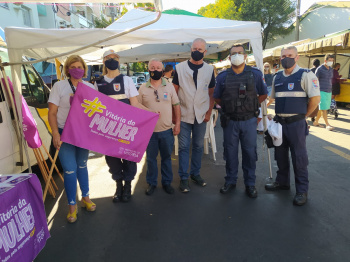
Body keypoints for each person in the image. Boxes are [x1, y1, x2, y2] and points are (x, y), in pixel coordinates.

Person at [94, 50, 154, 203]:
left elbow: (135, 103)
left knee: (128, 156)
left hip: (125, 128)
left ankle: (127, 185)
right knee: (111, 158)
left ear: (118, 61)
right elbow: (94, 107)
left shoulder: (126, 80)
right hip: (108, 129)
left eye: (115, 58)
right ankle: (118, 185)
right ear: (104, 61)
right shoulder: (98, 82)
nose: (112, 60)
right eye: (109, 58)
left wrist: (151, 113)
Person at [265, 46, 320, 206]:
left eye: (289, 55)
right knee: (280, 156)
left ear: (297, 57)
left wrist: (304, 116)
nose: (285, 58)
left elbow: (315, 100)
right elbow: (271, 99)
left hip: (296, 124)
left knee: (299, 158)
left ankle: (302, 190)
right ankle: (282, 182)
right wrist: (263, 109)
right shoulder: (277, 77)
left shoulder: (306, 75)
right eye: (283, 56)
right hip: (280, 123)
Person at [214, 43, 267, 198]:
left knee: (250, 153)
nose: (237, 55)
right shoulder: (223, 77)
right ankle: (230, 181)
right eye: (234, 53)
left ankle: (250, 184)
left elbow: (263, 94)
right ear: (230, 58)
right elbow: (217, 97)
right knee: (230, 153)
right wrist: (230, 107)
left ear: (245, 56)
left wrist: (251, 105)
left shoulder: (255, 74)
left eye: (240, 52)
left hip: (249, 121)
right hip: (230, 121)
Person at [48, 55, 96, 223]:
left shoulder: (90, 86)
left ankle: (86, 198)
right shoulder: (59, 86)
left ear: (85, 69)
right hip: (64, 133)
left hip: (82, 134)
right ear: (68, 69)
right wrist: (55, 133)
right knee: (69, 170)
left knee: (82, 166)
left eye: (80, 66)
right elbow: (52, 112)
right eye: (73, 66)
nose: (77, 69)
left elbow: (96, 112)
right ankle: (71, 206)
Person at [172, 38, 215, 193]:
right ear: (190, 49)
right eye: (194, 48)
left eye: (200, 49)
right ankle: (184, 178)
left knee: (197, 146)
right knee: (183, 147)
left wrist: (209, 113)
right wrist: (174, 116)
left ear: (205, 51)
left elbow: (212, 94)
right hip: (183, 114)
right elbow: (173, 92)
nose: (197, 51)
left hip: (201, 115)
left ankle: (195, 174)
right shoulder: (180, 68)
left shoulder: (209, 70)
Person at [138, 59, 181, 195]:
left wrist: (178, 123)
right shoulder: (143, 88)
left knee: (166, 158)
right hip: (149, 132)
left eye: (158, 68)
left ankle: (167, 182)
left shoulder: (169, 87)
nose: (155, 70)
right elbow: (137, 109)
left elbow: (176, 105)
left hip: (166, 130)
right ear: (148, 69)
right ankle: (152, 183)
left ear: (162, 70)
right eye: (152, 67)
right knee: (150, 159)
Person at [313, 54, 334, 130]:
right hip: (321, 91)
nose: (331, 62)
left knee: (322, 108)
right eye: (330, 60)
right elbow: (314, 80)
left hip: (328, 91)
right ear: (325, 60)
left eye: (332, 60)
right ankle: (327, 124)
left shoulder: (331, 69)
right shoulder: (320, 69)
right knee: (324, 108)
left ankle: (316, 122)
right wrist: (315, 91)